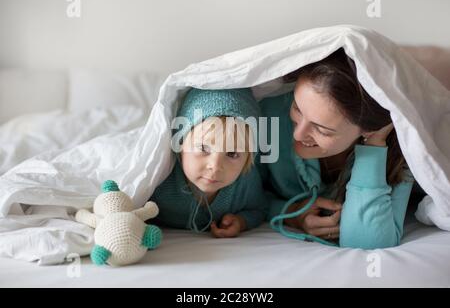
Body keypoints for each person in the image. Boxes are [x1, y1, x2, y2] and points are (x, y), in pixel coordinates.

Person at [258, 48, 414, 249]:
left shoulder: (400, 153)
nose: (298, 135)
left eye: (322, 129)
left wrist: (374, 145)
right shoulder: (269, 116)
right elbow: (245, 195)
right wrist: (292, 214)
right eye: (297, 108)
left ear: (368, 129)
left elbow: (366, 241)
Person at [150, 88, 268, 238]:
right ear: (180, 143)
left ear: (248, 159)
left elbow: (259, 209)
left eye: (232, 154)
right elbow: (131, 202)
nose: (215, 165)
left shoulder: (245, 184)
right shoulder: (161, 180)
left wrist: (240, 221)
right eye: (203, 148)